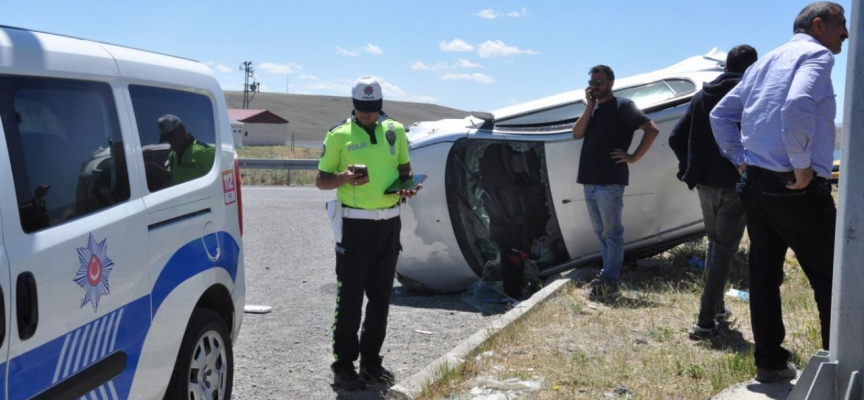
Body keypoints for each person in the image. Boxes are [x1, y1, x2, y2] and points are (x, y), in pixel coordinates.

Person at [710, 1, 847, 383]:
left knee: (764, 276)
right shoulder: (817, 55)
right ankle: (837, 372)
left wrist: (740, 160)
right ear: (819, 25)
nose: (846, 35)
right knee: (830, 279)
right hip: (795, 185)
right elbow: (797, 104)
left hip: (755, 182)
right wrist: (802, 165)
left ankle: (770, 363)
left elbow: (719, 115)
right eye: (842, 25)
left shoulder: (764, 61)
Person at [316, 76, 421, 391]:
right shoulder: (338, 135)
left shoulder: (396, 131)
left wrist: (408, 187)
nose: (367, 114)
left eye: (372, 108)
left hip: (390, 223)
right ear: (354, 104)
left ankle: (371, 362)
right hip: (355, 226)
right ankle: (344, 365)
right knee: (350, 298)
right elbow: (321, 181)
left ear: (380, 105)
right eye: (362, 108)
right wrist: (344, 178)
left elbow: (405, 170)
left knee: (380, 299)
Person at [669, 44, 758, 340]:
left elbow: (675, 138)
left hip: (705, 185)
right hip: (737, 183)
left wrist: (692, 166)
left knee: (716, 247)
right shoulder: (751, 95)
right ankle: (705, 321)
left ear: (725, 67)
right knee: (722, 251)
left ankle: (717, 309)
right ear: (752, 69)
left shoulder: (701, 97)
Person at [572, 65, 660, 300]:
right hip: (589, 180)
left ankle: (610, 281)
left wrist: (633, 157)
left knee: (612, 233)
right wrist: (590, 105)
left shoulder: (624, 106)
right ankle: (607, 275)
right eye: (592, 81)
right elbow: (576, 134)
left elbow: (651, 129)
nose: (595, 86)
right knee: (601, 232)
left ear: (611, 82)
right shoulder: (593, 109)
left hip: (610, 181)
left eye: (599, 81)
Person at [146, 114, 215, 188]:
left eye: (173, 135)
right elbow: (176, 180)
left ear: (182, 129)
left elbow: (217, 185)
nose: (171, 141)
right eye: (167, 138)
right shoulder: (172, 156)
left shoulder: (206, 152)